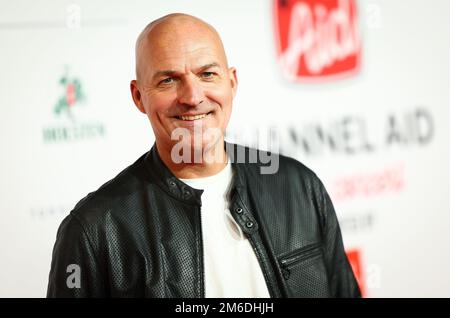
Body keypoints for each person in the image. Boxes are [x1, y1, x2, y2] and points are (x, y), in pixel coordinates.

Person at [47, 13, 360, 298]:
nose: (193, 97)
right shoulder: (94, 230)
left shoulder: (299, 187)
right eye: (168, 80)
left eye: (208, 74)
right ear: (139, 96)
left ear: (232, 82)